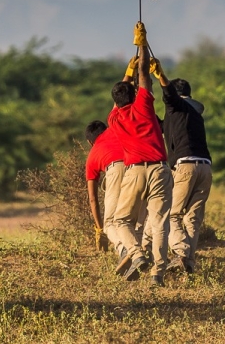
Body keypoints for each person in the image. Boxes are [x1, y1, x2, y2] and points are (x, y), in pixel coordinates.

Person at [109, 22, 173, 287]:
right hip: (159, 169)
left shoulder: (113, 118)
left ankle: (136, 254)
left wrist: (127, 72)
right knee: (158, 222)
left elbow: (120, 95)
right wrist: (142, 44)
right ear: (135, 94)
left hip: (134, 171)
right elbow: (145, 74)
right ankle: (158, 272)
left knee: (121, 220)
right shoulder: (144, 106)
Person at [156, 74, 212, 275]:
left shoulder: (175, 106)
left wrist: (160, 75)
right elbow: (160, 125)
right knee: (193, 218)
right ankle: (188, 262)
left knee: (171, 214)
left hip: (185, 166)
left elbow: (169, 96)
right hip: (205, 167)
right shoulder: (193, 114)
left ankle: (181, 252)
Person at [84, 119, 128, 258]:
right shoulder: (117, 131)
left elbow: (92, 199)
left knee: (110, 223)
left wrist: (99, 229)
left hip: (116, 170)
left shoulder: (92, 155)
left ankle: (124, 249)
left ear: (90, 142)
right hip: (138, 166)